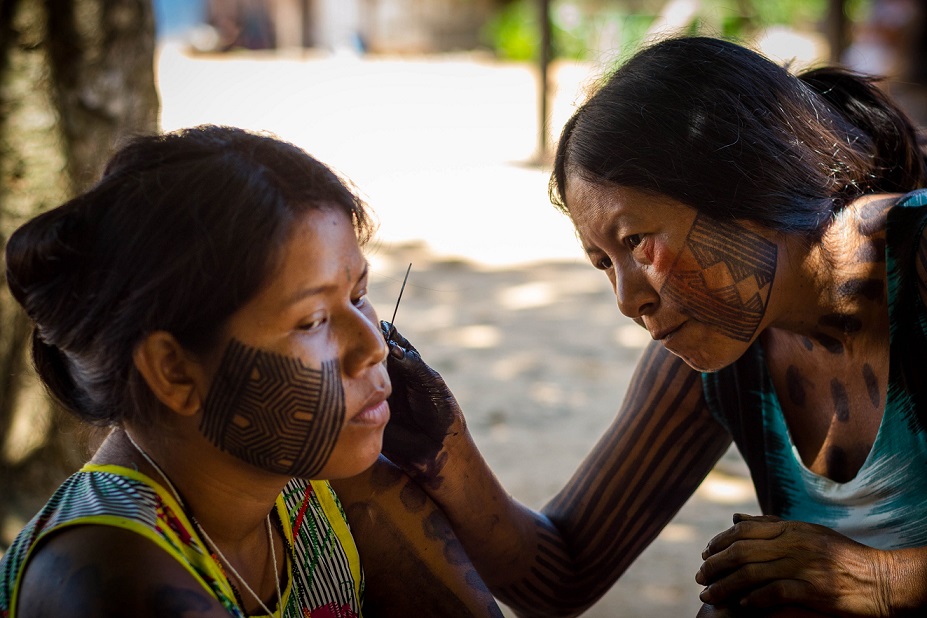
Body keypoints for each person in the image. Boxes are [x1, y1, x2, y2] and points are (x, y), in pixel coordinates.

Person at [378, 36, 927, 617]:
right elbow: (562, 573)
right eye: (602, 264)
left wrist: (880, 580)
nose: (626, 298)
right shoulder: (717, 347)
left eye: (637, 242)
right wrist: (447, 450)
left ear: (750, 178)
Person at [0, 125, 502, 617]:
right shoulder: (114, 578)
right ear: (173, 370)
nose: (373, 346)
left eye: (359, 296)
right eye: (312, 321)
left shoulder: (313, 480)